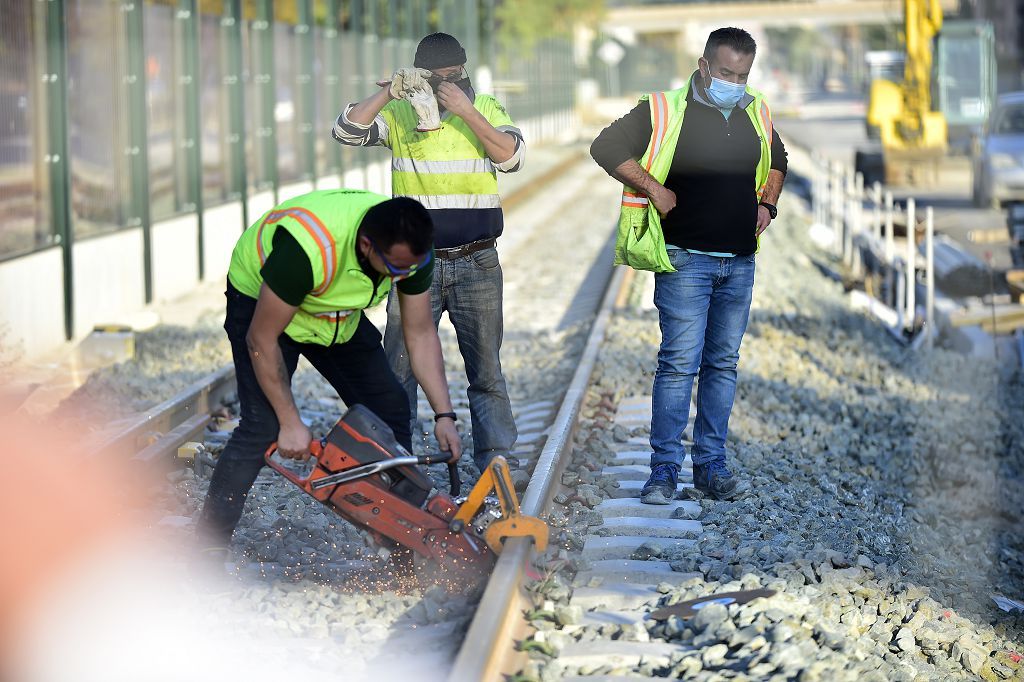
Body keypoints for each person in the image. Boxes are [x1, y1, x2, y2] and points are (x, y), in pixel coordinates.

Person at [196, 189, 462, 554]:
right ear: (367, 246)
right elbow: (261, 339)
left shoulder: (411, 253)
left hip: (331, 312)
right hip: (264, 304)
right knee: (263, 428)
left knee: (391, 409)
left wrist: (444, 415)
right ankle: (205, 555)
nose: (405, 276)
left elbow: (419, 334)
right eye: (397, 270)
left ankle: (399, 546)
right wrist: (290, 421)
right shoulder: (306, 250)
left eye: (410, 269)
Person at [590, 27, 788, 504]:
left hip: (739, 262)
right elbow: (606, 146)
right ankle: (662, 472)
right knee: (679, 365)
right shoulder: (663, 109)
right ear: (703, 67)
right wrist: (653, 189)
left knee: (722, 364)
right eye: (725, 73)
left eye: (742, 75)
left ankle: (710, 467)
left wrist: (768, 205)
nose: (734, 82)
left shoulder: (755, 109)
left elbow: (778, 158)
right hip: (685, 260)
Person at [332, 32, 524, 474]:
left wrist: (466, 111)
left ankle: (497, 460)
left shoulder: (487, 108)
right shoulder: (401, 112)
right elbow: (347, 131)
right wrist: (387, 92)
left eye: (450, 77)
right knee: (398, 368)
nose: (441, 86)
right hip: (415, 266)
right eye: (432, 79)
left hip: (477, 261)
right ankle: (398, 461)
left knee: (487, 371)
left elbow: (512, 158)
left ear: (463, 69)